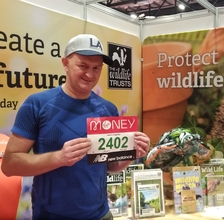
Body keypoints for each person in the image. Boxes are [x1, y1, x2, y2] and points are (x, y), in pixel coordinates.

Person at [1, 34, 150, 220]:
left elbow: (111, 166)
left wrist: (132, 154)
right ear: (65, 63)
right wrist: (59, 157)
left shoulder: (108, 109)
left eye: (96, 68)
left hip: (101, 214)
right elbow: (9, 165)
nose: (90, 74)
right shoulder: (37, 105)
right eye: (83, 66)